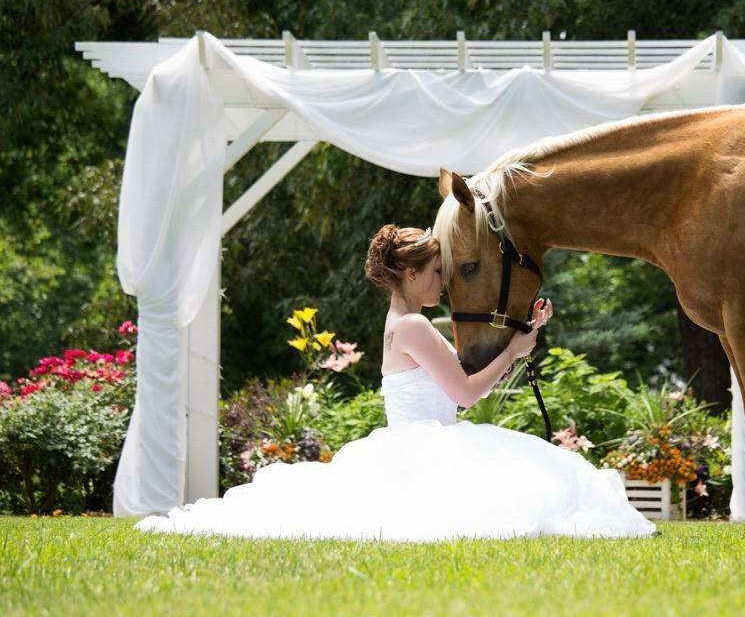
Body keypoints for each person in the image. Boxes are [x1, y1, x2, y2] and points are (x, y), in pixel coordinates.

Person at [134, 225, 656, 542]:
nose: (443, 282)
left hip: (430, 440)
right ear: (407, 275)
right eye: (435, 271)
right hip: (424, 449)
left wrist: (525, 332)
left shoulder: (404, 324)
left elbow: (466, 381)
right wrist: (518, 351)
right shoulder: (412, 326)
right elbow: (468, 394)